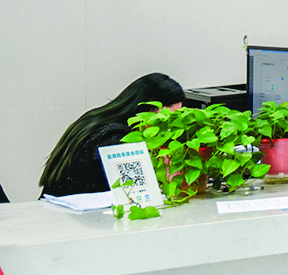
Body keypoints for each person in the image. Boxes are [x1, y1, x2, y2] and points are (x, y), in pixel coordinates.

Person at [40, 73, 184, 198]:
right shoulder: (115, 137)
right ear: (149, 109)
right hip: (74, 215)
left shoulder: (97, 119)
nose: (168, 127)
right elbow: (137, 193)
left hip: (55, 208)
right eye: (166, 118)